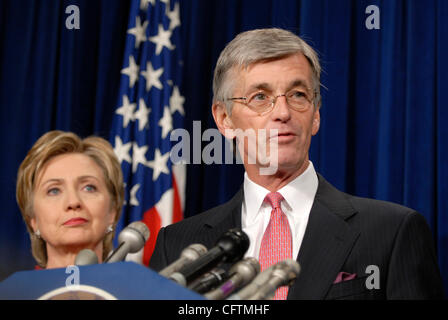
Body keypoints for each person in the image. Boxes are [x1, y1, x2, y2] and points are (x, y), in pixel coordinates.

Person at [149, 28, 445, 299]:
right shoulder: (177, 246)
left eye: (298, 95)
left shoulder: (392, 232)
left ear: (315, 114)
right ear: (224, 119)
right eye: (260, 96)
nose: (282, 112)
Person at [16, 130, 124, 269]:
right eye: (54, 191)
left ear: (112, 212)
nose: (73, 202)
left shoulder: (137, 290)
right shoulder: (13, 291)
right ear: (33, 220)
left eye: (89, 188)